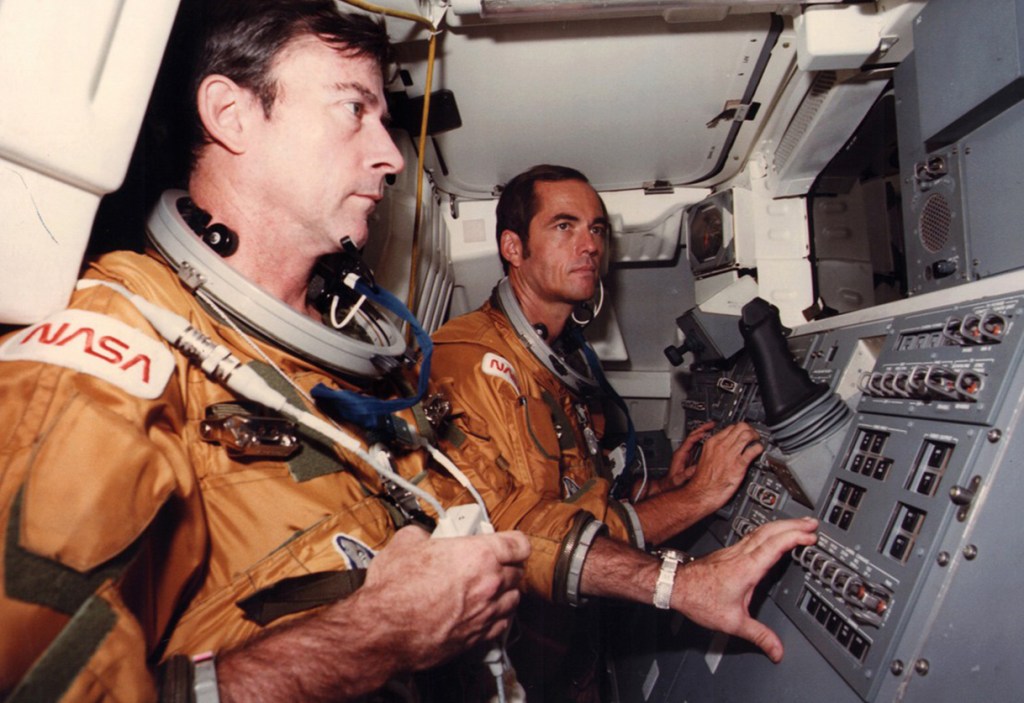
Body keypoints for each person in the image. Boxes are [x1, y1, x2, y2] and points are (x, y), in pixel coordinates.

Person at [0, 2, 530, 701]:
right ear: (231, 113)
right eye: (353, 109)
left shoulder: (358, 358)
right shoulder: (124, 331)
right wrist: (378, 635)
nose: (392, 155)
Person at [425, 164, 818, 699]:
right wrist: (695, 520)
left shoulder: (553, 359)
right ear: (513, 248)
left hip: (573, 654)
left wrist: (662, 490)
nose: (588, 245)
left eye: (597, 229)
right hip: (514, 673)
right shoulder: (472, 362)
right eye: (564, 226)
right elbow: (514, 532)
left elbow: (575, 493)